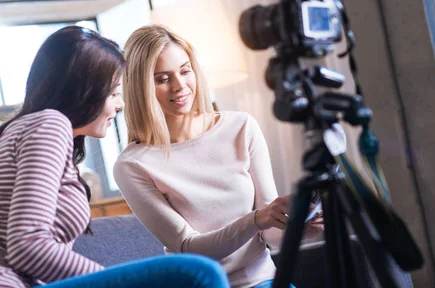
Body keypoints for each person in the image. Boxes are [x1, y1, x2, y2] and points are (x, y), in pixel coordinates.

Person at [0, 26, 230, 288]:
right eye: (115, 93)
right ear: (86, 91)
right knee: (198, 273)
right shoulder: (49, 125)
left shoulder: (38, 129)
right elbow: (28, 247)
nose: (120, 105)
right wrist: (109, 280)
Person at [114, 25, 323, 288]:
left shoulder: (241, 128)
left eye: (185, 71)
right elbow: (188, 247)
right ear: (140, 87)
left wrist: (302, 230)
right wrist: (256, 219)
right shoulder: (133, 165)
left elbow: (269, 233)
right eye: (162, 79)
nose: (179, 86)